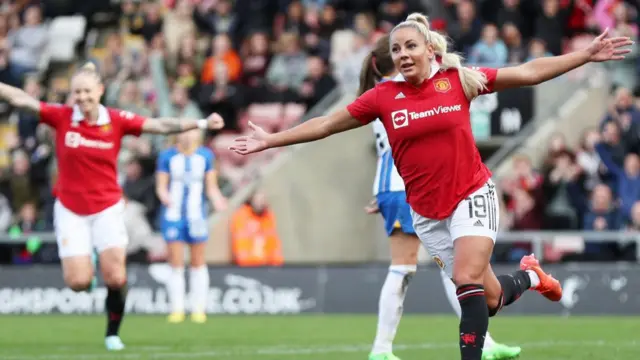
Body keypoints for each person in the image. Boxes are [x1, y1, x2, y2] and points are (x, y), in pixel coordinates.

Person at [229, 13, 632, 360]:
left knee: (467, 282)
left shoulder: (459, 80)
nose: (403, 54)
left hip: (472, 194)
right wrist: (271, 139)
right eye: (397, 49)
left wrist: (584, 55)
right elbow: (327, 124)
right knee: (487, 300)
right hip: (425, 212)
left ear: (429, 50)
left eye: (410, 47)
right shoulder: (383, 97)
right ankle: (531, 276)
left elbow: (527, 73)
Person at [0, 62, 225, 351]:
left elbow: (158, 126)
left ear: (100, 91)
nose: (82, 97)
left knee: (117, 277)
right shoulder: (62, 117)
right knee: (78, 282)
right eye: (77, 92)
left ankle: (112, 333)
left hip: (107, 207)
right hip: (71, 209)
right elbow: (21, 99)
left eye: (87, 91)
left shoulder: (117, 120)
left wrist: (202, 123)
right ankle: (87, 266)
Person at [361, 34, 520, 360]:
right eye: (399, 49)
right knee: (408, 268)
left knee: (459, 270)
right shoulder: (394, 92)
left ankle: (484, 342)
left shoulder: (384, 94)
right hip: (411, 187)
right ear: (392, 59)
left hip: (399, 187)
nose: (407, 54)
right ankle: (381, 348)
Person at [156, 128, 228, 324]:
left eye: (192, 131)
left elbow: (211, 186)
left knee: (198, 262)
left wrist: (218, 200)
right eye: (184, 131)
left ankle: (199, 309)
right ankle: (177, 309)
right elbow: (161, 185)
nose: (188, 135)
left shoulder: (205, 155)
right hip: (173, 216)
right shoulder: (167, 156)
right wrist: (164, 196)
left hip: (196, 216)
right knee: (176, 263)